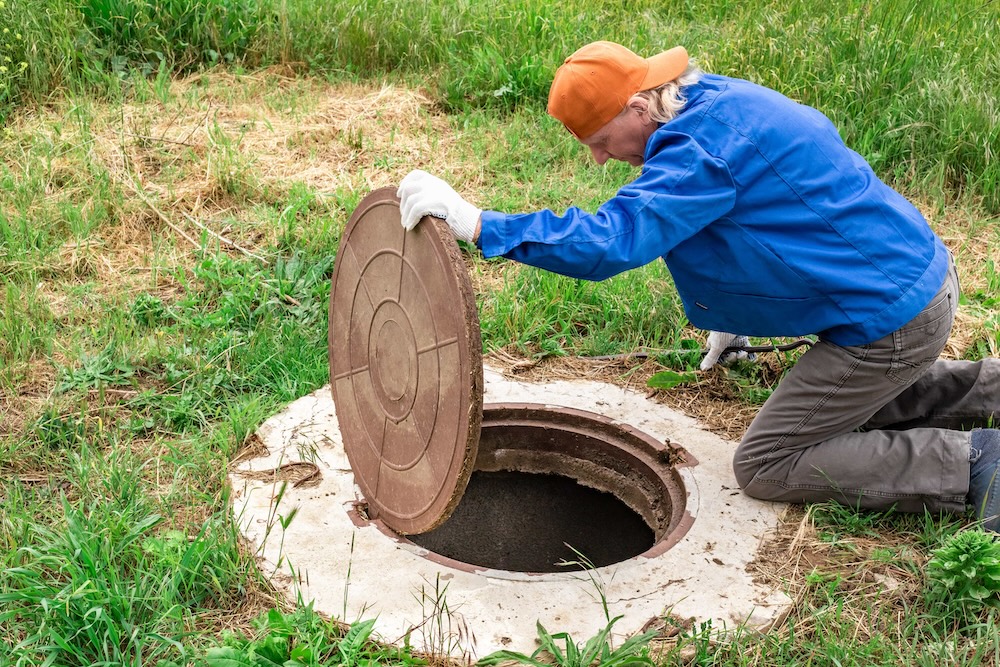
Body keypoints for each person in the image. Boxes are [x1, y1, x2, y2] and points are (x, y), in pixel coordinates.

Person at [396, 40, 1000, 531]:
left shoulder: (698, 153)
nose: (601, 160)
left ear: (637, 106)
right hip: (913, 281)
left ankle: (973, 466)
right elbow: (764, 209)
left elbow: (614, 238)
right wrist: (737, 310)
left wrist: (481, 224)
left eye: (601, 142)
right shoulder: (711, 100)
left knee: (767, 462)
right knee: (846, 408)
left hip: (889, 323)